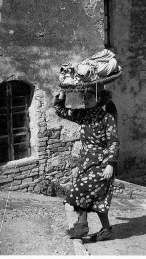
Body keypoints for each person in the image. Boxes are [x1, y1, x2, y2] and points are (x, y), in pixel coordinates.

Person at [54, 88, 119, 241]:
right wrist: (62, 95)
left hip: (102, 164)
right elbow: (61, 111)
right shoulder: (82, 115)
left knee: (79, 189)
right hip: (86, 163)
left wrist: (111, 164)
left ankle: (81, 226)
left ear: (99, 99)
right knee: (98, 198)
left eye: (90, 97)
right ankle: (106, 230)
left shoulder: (106, 118)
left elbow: (114, 142)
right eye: (85, 96)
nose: (85, 99)